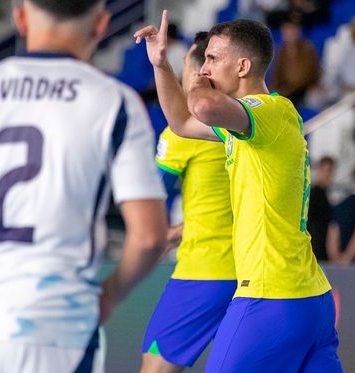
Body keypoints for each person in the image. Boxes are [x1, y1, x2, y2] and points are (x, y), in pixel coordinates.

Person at [0, 0, 168, 372]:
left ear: (20, 18)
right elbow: (150, 237)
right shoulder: (113, 101)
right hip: (56, 318)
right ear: (101, 25)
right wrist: (109, 296)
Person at [135, 11, 341, 372]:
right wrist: (161, 65)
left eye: (213, 59)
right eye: (205, 60)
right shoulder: (249, 121)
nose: (206, 68)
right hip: (310, 297)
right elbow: (182, 122)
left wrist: (195, 75)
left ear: (243, 66)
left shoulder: (266, 112)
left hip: (270, 294)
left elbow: (200, 105)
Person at [141, 32, 236, 373]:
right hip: (253, 274)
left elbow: (150, 195)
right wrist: (181, 228)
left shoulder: (182, 133)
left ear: (197, 73)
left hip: (204, 271)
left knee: (155, 366)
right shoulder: (246, 123)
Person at [270, 17, 321, 106]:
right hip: (287, 91)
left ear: (298, 32)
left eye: (292, 30)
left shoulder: (308, 49)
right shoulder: (280, 52)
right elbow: (276, 75)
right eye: (286, 31)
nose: (289, 34)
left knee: (315, 99)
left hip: (306, 89)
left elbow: (313, 71)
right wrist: (275, 90)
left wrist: (314, 85)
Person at [307, 156, 335, 261]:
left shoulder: (324, 195)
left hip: (321, 249)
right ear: (319, 170)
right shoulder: (313, 194)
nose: (327, 175)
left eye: (330, 171)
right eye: (325, 170)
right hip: (314, 249)